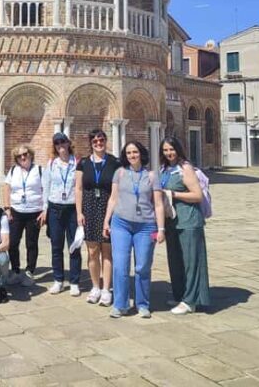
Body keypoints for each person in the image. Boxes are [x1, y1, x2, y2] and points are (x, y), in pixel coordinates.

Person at [103, 141, 165, 318]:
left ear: (141, 153)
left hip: (146, 226)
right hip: (121, 224)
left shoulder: (152, 176)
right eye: (129, 153)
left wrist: (161, 229)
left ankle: (142, 304)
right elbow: (113, 199)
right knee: (120, 265)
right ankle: (120, 304)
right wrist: (106, 221)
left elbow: (158, 204)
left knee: (142, 266)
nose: (132, 155)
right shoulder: (120, 173)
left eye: (135, 152)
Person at [159, 137, 211, 315]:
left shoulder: (185, 168)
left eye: (171, 149)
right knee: (176, 261)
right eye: (165, 150)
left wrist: (173, 194)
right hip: (172, 221)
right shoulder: (164, 169)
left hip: (188, 221)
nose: (169, 153)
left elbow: (197, 195)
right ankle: (180, 295)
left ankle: (191, 300)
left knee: (191, 261)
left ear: (178, 149)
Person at [75, 129, 119, 305]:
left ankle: (106, 289)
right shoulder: (83, 163)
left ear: (106, 141)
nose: (98, 143)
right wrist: (79, 212)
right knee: (92, 250)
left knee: (107, 251)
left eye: (101, 140)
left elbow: (117, 190)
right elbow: (78, 188)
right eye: (95, 141)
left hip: (109, 208)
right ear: (91, 143)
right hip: (89, 208)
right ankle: (95, 286)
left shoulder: (114, 162)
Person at [43, 132, 81, 296]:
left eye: (63, 142)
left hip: (72, 208)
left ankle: (74, 282)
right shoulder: (52, 163)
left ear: (68, 143)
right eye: (57, 143)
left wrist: (81, 212)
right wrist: (45, 208)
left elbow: (80, 187)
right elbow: (46, 186)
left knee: (74, 246)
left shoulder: (77, 163)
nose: (60, 146)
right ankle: (58, 280)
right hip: (55, 208)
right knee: (56, 246)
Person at [2, 144, 45, 287]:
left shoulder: (39, 170)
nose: (23, 157)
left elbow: (46, 189)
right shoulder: (13, 170)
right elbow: (6, 188)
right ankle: (15, 270)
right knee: (13, 242)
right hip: (16, 211)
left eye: (25, 154)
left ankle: (29, 271)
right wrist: (7, 208)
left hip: (34, 212)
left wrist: (44, 210)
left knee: (31, 243)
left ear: (30, 154)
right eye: (19, 156)